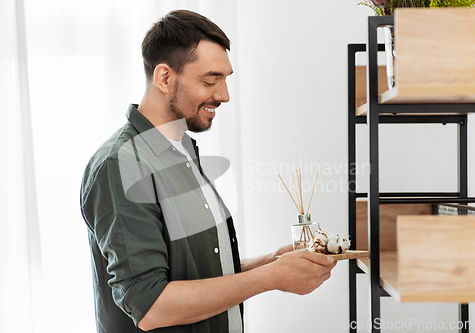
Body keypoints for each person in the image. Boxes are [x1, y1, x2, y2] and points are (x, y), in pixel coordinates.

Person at [80, 9, 336, 333]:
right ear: (164, 78)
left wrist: (271, 262)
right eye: (210, 80)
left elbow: (192, 274)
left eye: (226, 79)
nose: (224, 95)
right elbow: (151, 305)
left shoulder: (181, 152)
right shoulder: (121, 165)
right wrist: (269, 278)